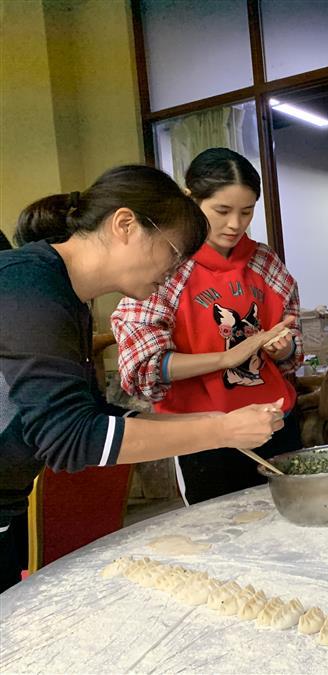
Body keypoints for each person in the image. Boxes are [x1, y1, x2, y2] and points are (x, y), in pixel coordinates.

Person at [0, 165, 284, 592]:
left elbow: (95, 416)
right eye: (173, 253)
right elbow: (71, 439)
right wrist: (220, 430)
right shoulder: (28, 285)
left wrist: (218, 425)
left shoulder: (66, 295)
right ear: (125, 225)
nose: (174, 272)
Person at [112, 148, 303, 505]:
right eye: (222, 211)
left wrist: (284, 347)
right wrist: (227, 358)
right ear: (191, 199)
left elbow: (291, 346)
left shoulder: (264, 262)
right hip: (203, 434)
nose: (235, 224)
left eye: (246, 212)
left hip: (275, 421)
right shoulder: (167, 263)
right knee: (221, 531)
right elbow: (142, 365)